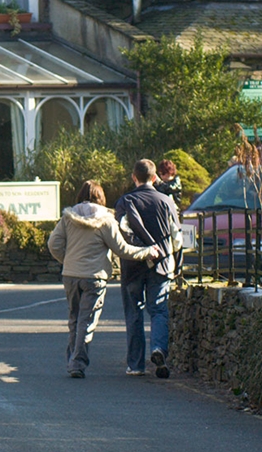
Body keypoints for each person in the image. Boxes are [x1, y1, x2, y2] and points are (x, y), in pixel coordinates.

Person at [48, 180, 159, 378]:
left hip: (71, 275)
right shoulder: (106, 220)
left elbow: (53, 244)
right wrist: (147, 252)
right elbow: (123, 250)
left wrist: (67, 260)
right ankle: (77, 363)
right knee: (87, 321)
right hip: (95, 277)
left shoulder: (67, 218)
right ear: (101, 197)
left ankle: (72, 359)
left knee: (74, 319)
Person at [115, 159, 183, 379]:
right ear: (155, 178)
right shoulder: (166, 201)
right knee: (159, 310)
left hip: (133, 264)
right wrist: (175, 261)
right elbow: (177, 237)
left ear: (134, 177)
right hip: (161, 264)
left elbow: (121, 234)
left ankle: (135, 365)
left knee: (133, 313)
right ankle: (158, 349)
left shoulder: (125, 202)